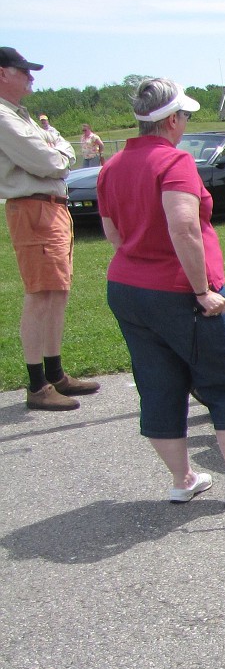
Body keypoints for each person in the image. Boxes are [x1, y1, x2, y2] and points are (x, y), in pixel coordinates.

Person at [98, 78, 225, 506]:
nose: (185, 123)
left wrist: (141, 257)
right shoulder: (174, 162)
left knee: (157, 380)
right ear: (170, 120)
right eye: (183, 116)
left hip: (128, 286)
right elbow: (183, 225)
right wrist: (202, 290)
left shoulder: (112, 165)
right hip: (180, 291)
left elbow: (113, 231)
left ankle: (183, 479)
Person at [0, 46, 99, 412]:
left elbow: (58, 155)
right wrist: (58, 150)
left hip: (51, 208)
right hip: (33, 209)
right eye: (23, 71)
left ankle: (55, 373)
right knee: (40, 294)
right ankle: (37, 384)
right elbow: (50, 161)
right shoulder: (3, 116)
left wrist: (57, 152)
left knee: (57, 292)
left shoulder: (19, 115)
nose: (31, 77)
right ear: (2, 73)